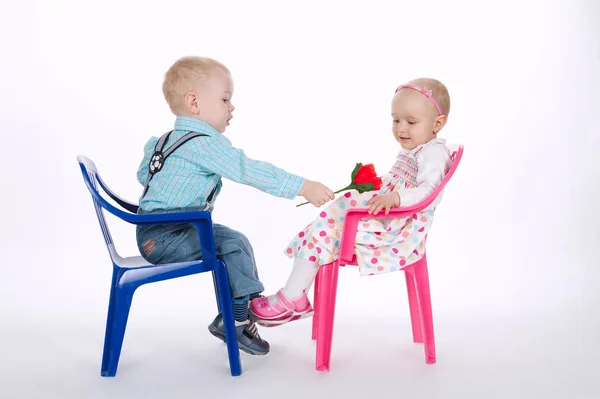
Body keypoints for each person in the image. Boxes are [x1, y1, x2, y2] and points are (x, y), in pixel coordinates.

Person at [135, 56, 335, 355]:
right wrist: (303, 187)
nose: (232, 108)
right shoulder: (203, 143)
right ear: (194, 103)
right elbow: (247, 169)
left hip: (149, 234)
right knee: (235, 244)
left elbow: (143, 175)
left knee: (228, 241)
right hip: (169, 236)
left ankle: (233, 315)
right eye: (225, 99)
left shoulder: (165, 140)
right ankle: (239, 320)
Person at [250, 78, 454, 326]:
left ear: (438, 124)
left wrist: (395, 196)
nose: (401, 128)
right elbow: (399, 180)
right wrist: (378, 185)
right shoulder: (413, 151)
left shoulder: (433, 152)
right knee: (339, 209)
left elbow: (430, 192)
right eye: (396, 120)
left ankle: (292, 298)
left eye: (411, 122)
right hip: (388, 221)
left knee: (323, 233)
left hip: (396, 232)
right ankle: (293, 295)